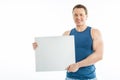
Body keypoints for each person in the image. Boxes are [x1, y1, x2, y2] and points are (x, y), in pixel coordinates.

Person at [33, 4, 103, 80]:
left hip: (89, 77)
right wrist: (39, 48)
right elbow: (57, 54)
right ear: (72, 16)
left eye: (81, 15)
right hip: (70, 77)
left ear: (86, 16)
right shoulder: (67, 34)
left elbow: (99, 55)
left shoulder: (94, 32)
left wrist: (78, 65)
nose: (78, 17)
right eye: (75, 15)